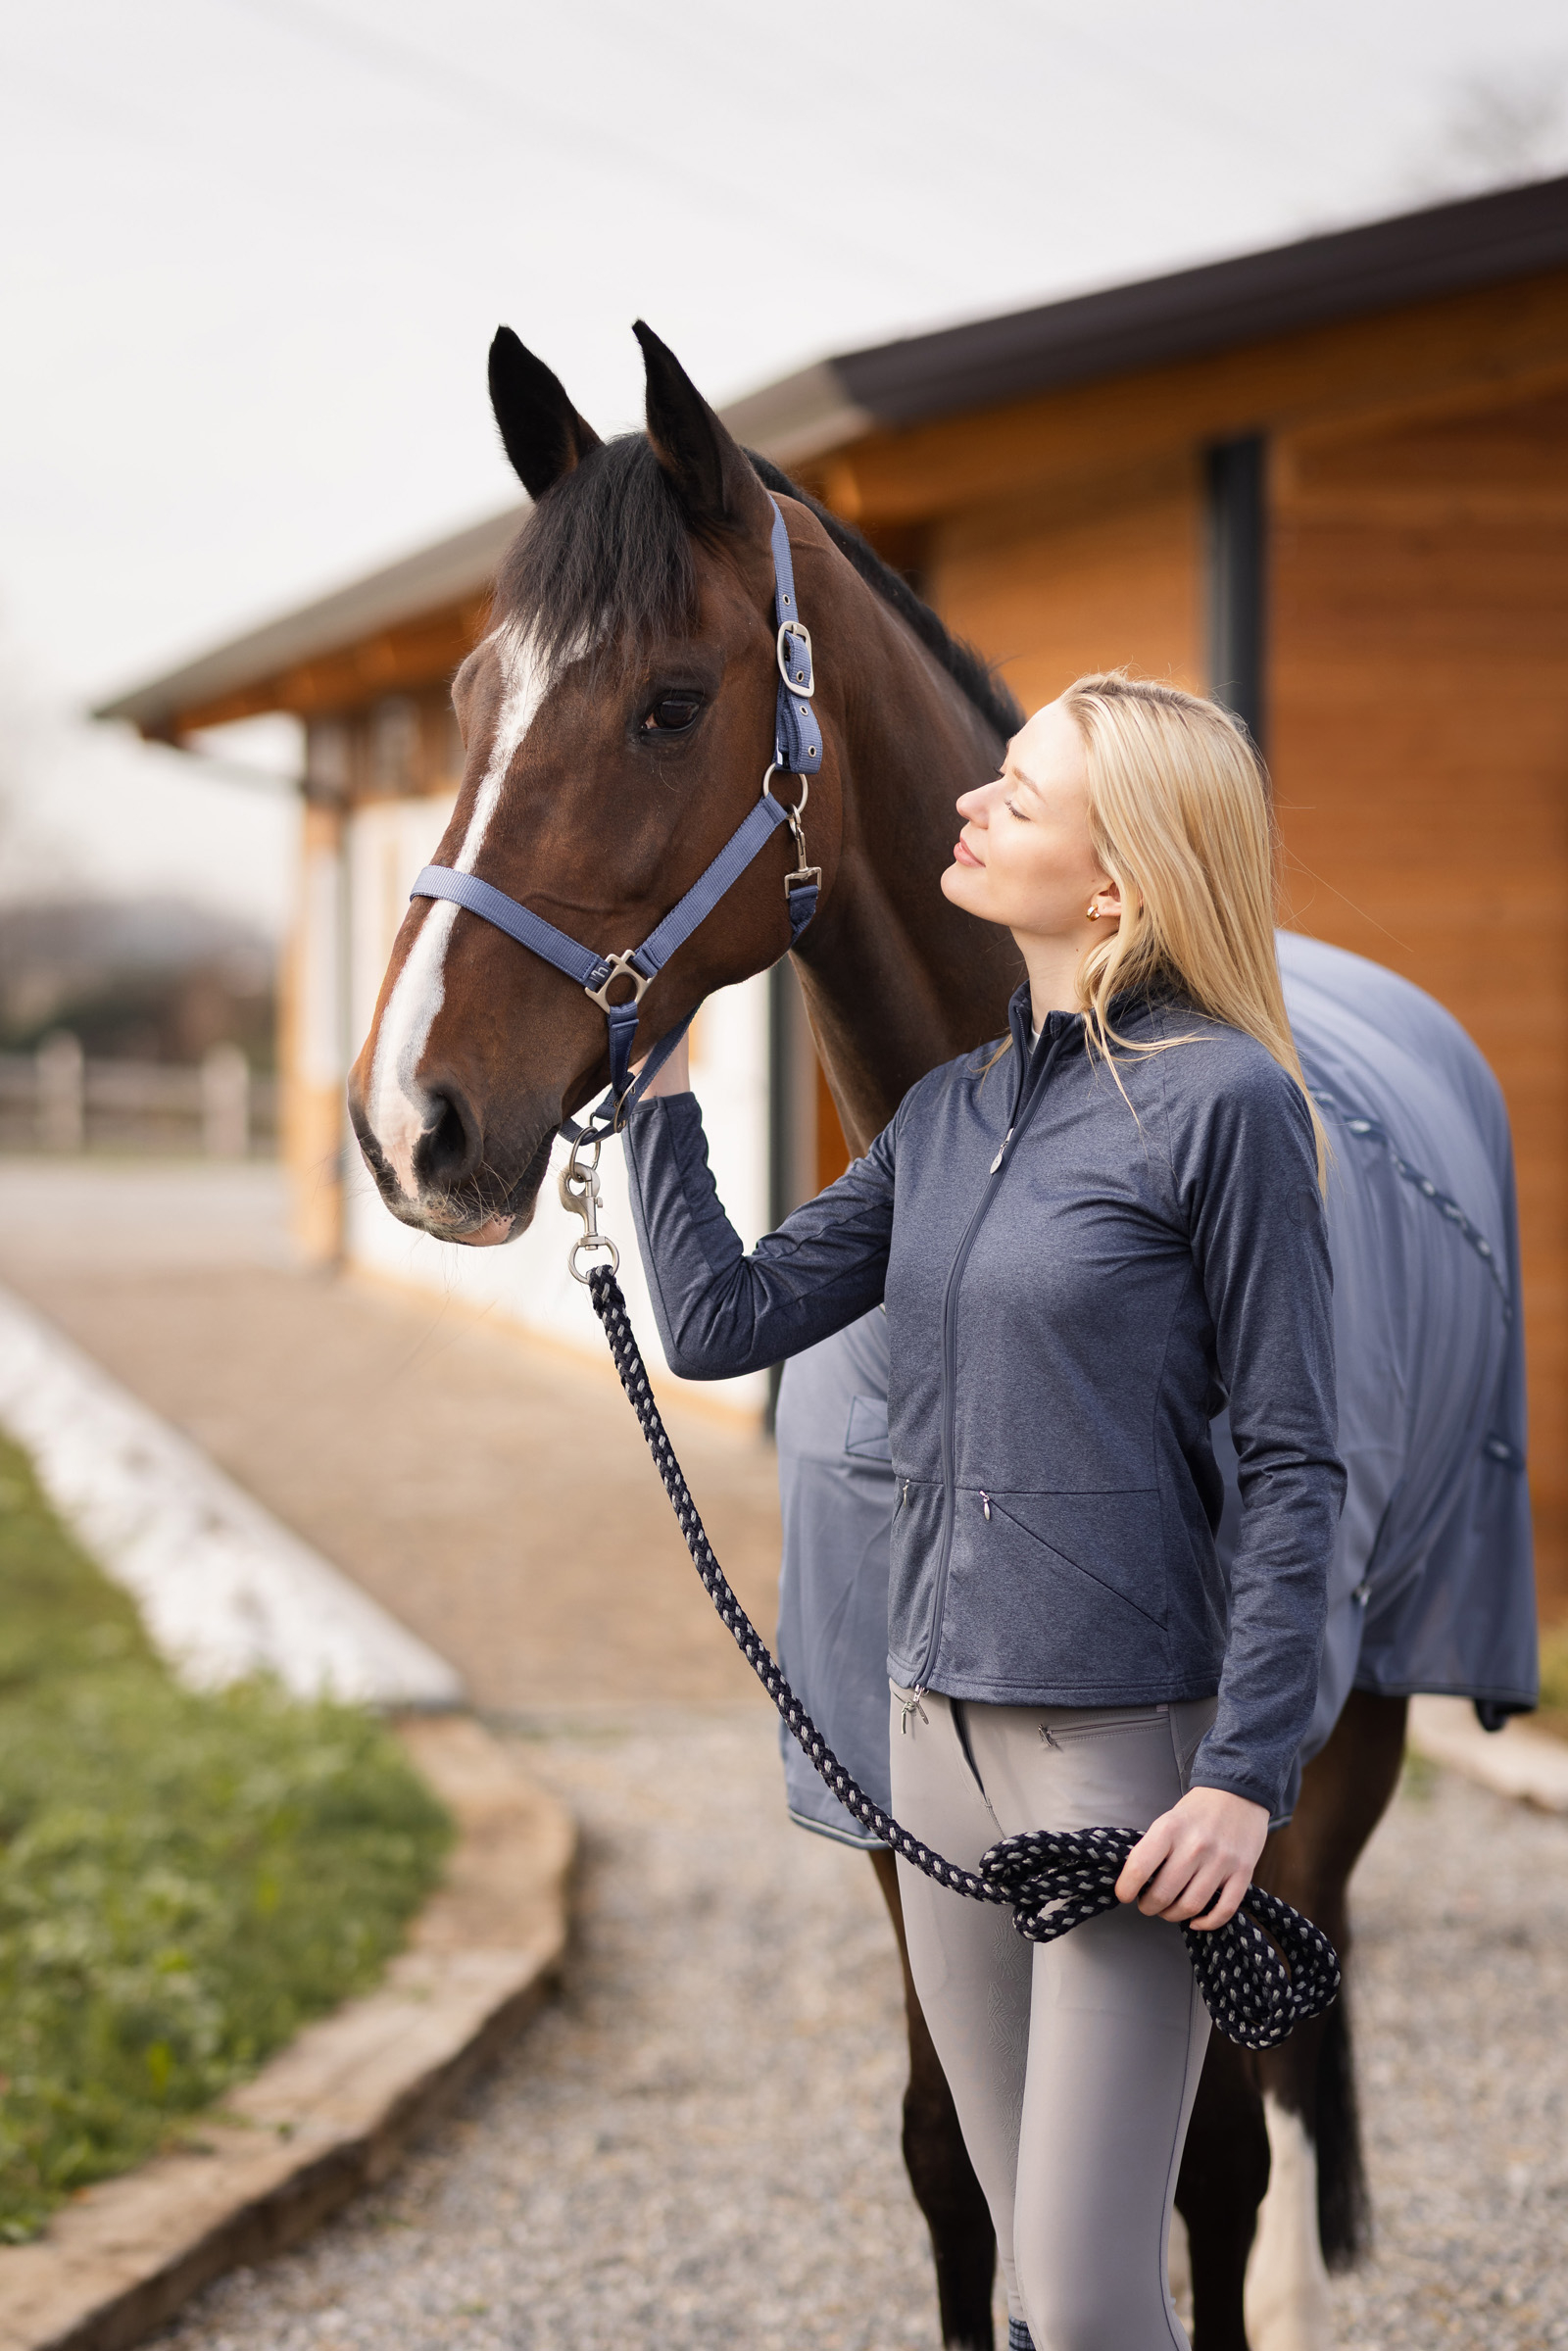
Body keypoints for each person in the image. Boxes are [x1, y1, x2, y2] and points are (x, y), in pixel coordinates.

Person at [622, 673, 1344, 2351]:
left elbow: (1300, 1462)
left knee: (1096, 2300)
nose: (970, 806)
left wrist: (1243, 1780)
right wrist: (656, 1105)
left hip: (1118, 1761)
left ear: (1119, 883)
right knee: (1026, 2268)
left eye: (1020, 795)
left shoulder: (1223, 1109)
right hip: (925, 1738)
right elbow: (724, 1321)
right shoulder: (947, 1115)